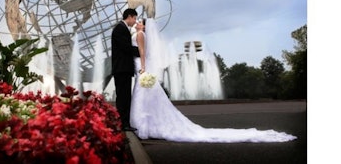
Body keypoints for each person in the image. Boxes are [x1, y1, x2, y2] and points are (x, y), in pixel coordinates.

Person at [130, 18, 297, 142]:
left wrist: (143, 68)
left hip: (142, 67)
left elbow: (143, 54)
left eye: (139, 21)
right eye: (136, 20)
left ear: (145, 25)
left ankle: (145, 124)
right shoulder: (142, 34)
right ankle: (147, 124)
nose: (137, 22)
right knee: (148, 97)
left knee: (144, 96)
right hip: (142, 66)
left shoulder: (140, 34)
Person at [111, 8, 140, 132]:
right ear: (129, 16)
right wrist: (142, 52)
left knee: (124, 96)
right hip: (122, 69)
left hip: (123, 69)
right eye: (134, 18)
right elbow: (126, 48)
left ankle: (123, 123)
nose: (135, 21)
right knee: (124, 97)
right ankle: (123, 124)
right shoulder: (119, 28)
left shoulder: (122, 28)